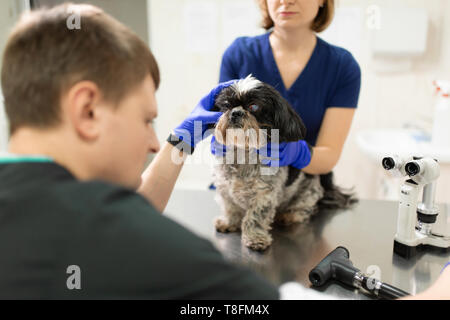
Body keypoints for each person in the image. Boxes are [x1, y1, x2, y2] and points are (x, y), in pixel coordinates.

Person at [0, 3, 448, 300]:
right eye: (146, 119)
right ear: (87, 110)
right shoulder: (153, 249)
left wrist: (287, 153)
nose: (159, 141)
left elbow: (126, 211)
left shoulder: (74, 221)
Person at [214, 0, 360, 173]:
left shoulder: (341, 66)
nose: (286, 1)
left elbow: (328, 156)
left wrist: (299, 153)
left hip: (304, 187)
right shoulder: (239, 54)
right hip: (237, 181)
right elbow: (223, 128)